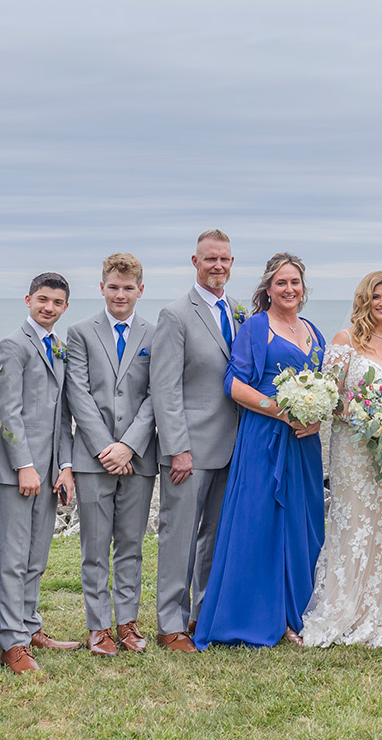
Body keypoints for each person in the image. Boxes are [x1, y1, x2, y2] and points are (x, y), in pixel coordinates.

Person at [195, 253, 327, 649]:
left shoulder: (313, 330)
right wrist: (280, 411)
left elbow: (325, 385)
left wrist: (317, 416)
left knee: (303, 522)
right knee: (261, 523)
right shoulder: (256, 327)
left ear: (304, 289)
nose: (290, 289)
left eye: (295, 283)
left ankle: (299, 612)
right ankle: (260, 615)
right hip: (263, 438)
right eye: (281, 283)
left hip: (304, 442)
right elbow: (233, 384)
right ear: (268, 288)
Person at [301, 271, 382, 647]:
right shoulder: (345, 341)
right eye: (376, 298)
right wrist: (367, 413)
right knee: (355, 525)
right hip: (355, 448)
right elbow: (330, 396)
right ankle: (348, 609)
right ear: (364, 301)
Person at [0, 272, 81, 674]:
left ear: (65, 307)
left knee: (37, 555)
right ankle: (12, 643)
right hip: (14, 471)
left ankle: (30, 625)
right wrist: (25, 466)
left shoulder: (58, 346)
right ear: (28, 300)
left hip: (50, 469)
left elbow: (62, 417)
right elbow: (8, 412)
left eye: (56, 303)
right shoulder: (12, 346)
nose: (48, 307)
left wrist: (65, 468)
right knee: (13, 558)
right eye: (42, 300)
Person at [148, 230, 243, 653]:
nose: (217, 266)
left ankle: (202, 613)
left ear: (231, 262)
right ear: (195, 261)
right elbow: (164, 389)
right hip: (189, 449)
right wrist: (177, 449)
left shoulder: (239, 312)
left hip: (233, 446)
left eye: (223, 259)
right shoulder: (175, 315)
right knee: (179, 536)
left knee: (215, 536)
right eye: (210, 259)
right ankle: (170, 623)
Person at [63, 253, 159, 657]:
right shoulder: (80, 332)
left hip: (137, 457)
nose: (121, 294)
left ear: (141, 290)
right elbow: (78, 394)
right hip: (92, 457)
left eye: (129, 287)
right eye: (114, 287)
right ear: (102, 287)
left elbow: (159, 394)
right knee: (95, 545)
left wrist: (129, 445)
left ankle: (128, 622)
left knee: (131, 544)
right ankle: (98, 626)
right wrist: (106, 447)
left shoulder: (156, 335)